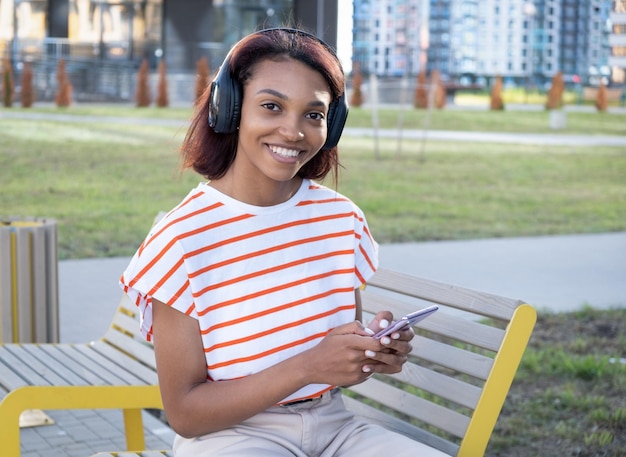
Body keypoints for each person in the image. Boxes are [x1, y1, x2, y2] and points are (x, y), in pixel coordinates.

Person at [120, 27, 447, 457]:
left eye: (313, 115)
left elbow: (339, 355)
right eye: (271, 106)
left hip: (336, 427)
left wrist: (371, 353)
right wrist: (308, 366)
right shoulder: (181, 239)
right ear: (230, 109)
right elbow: (185, 413)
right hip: (230, 438)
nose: (293, 132)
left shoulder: (341, 220)